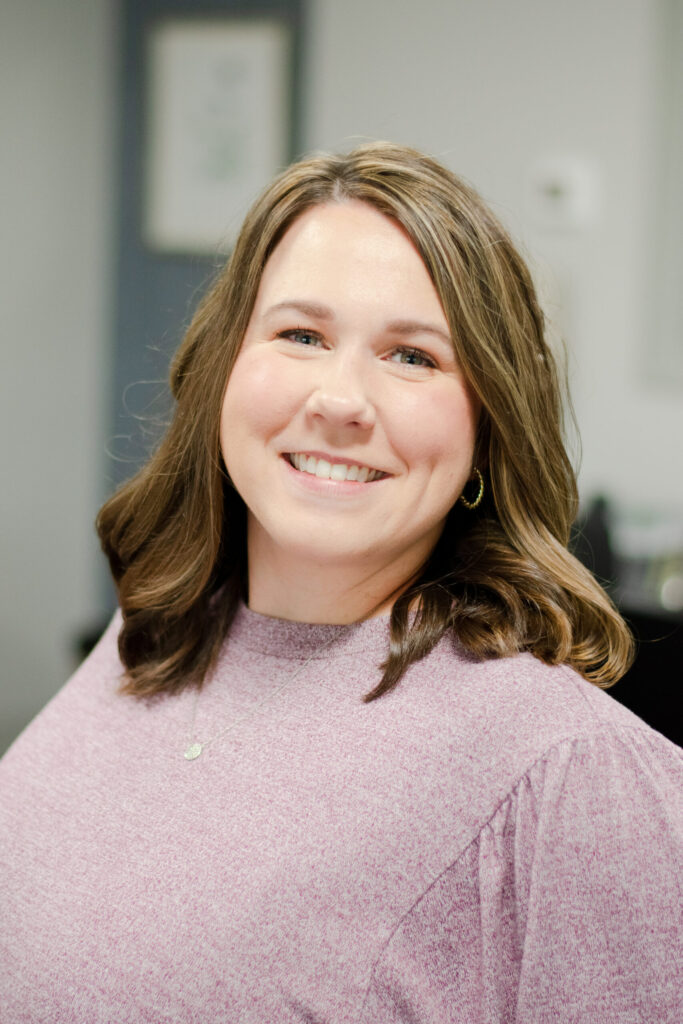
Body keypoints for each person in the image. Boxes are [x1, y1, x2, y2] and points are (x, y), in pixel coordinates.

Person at [1, 142, 681, 1023]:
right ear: (224, 370)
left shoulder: (567, 772)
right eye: (300, 335)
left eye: (412, 357)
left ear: (486, 426)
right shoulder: (153, 638)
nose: (340, 399)